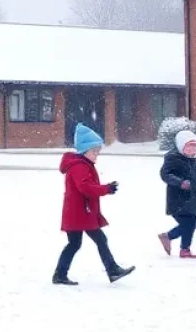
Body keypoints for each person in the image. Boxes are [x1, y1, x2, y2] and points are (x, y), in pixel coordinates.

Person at [52, 122, 134, 285]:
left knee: (76, 243)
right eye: (94, 151)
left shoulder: (83, 164)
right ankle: (112, 270)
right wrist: (106, 189)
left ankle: (60, 274)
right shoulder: (79, 166)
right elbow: (85, 187)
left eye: (98, 151)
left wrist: (105, 188)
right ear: (84, 150)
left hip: (80, 212)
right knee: (93, 240)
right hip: (81, 212)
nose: (97, 154)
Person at [158, 129, 196, 258]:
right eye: (189, 145)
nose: (192, 148)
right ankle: (176, 243)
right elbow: (165, 175)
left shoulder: (193, 161)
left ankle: (176, 243)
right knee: (190, 223)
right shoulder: (173, 158)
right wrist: (180, 182)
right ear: (181, 145)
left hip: (191, 199)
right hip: (178, 199)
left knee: (190, 224)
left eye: (194, 145)